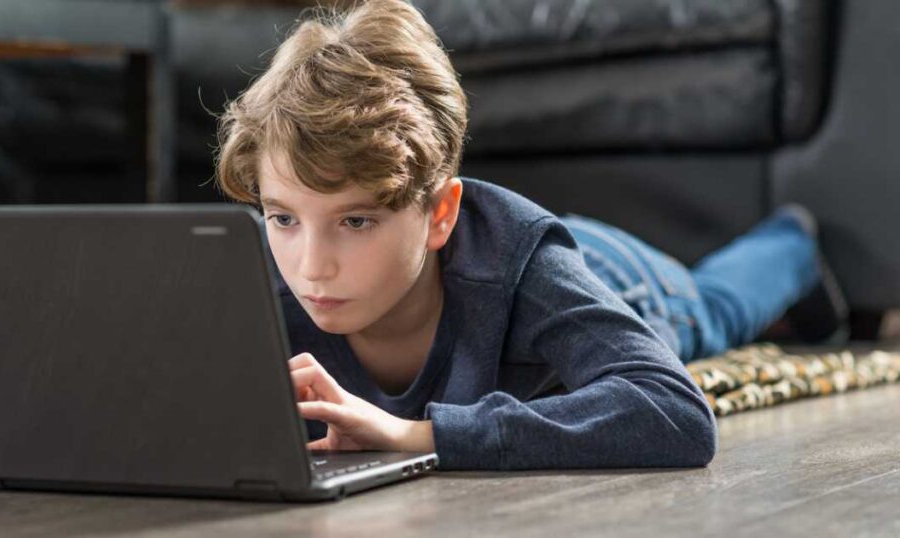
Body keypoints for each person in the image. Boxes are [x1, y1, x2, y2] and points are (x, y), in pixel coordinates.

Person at [212, 0, 846, 470]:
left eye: (356, 221)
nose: (312, 268)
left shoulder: (525, 268)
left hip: (612, 274)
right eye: (283, 218)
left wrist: (418, 435)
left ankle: (794, 244)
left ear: (438, 214)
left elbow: (675, 413)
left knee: (715, 308)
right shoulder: (273, 278)